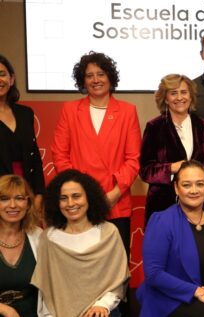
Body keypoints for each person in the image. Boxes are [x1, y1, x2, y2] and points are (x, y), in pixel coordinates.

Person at [50, 51, 141, 257]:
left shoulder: (127, 111)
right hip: (78, 204)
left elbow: (133, 159)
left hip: (115, 202)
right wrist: (78, 193)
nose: (95, 80)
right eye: (89, 75)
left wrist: (113, 195)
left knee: (116, 267)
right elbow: (60, 155)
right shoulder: (70, 110)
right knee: (81, 264)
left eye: (100, 74)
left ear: (110, 77)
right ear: (83, 80)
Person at [137, 160, 204, 317]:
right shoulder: (162, 221)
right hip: (171, 299)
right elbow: (154, 274)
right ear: (176, 189)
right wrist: (197, 291)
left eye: (200, 184)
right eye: (186, 185)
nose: (194, 190)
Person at [32, 169, 129, 317]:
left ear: (89, 198)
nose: (70, 203)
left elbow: (117, 282)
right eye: (63, 198)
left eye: (76, 196)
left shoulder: (109, 233)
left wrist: (102, 306)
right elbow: (46, 288)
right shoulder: (48, 238)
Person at [139, 74, 204, 224]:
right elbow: (145, 170)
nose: (180, 97)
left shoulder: (203, 126)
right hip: (162, 205)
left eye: (184, 92)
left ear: (191, 96)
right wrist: (172, 168)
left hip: (197, 203)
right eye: (173, 93)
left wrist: (195, 175)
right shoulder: (154, 127)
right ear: (166, 99)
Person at [0, 55, 45, 210]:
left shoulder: (25, 113)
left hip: (27, 193)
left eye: (2, 74)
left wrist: (39, 194)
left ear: (11, 79)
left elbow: (35, 158)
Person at [0, 175, 44, 317]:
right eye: (4, 199)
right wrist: (6, 310)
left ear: (28, 204)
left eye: (19, 198)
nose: (13, 205)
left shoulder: (39, 236)